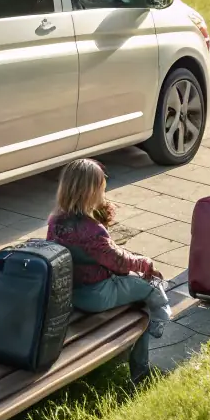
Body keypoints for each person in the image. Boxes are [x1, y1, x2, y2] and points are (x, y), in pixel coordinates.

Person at [47, 158, 172, 385]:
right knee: (150, 287)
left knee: (135, 288)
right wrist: (145, 263)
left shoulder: (55, 222)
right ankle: (153, 336)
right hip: (97, 294)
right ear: (90, 192)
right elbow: (119, 262)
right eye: (101, 190)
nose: (104, 194)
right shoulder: (92, 231)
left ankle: (128, 357)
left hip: (71, 293)